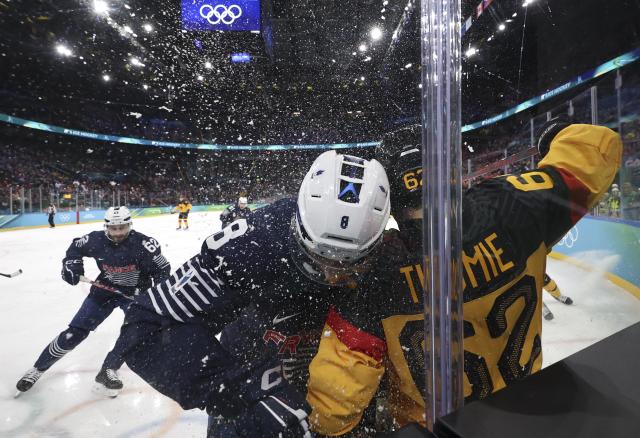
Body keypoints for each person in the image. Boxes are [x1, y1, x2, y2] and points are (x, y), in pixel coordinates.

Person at [305, 121, 622, 434]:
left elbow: (333, 413)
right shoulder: (514, 204)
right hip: (527, 414)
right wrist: (555, 136)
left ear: (389, 200)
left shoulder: (374, 277)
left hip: (440, 429)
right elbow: (599, 146)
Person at [114, 150, 390, 437]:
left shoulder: (393, 254)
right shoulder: (254, 243)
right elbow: (147, 328)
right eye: (319, 260)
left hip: (340, 394)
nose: (332, 276)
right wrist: (244, 393)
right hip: (251, 371)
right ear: (297, 227)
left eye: (349, 264)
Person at [16, 206, 171, 397]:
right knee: (74, 333)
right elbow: (75, 248)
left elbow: (163, 269)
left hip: (135, 294)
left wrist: (154, 294)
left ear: (130, 224)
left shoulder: (145, 244)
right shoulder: (95, 239)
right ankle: (38, 368)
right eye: (113, 228)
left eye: (122, 227)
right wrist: (72, 266)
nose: (118, 233)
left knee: (133, 333)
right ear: (106, 226)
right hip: (104, 291)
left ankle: (108, 370)